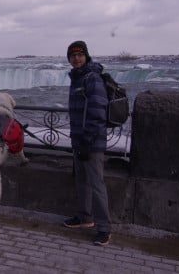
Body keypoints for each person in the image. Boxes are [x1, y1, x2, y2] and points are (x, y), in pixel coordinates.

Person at [63, 40, 112, 246]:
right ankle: (85, 217)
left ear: (86, 56)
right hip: (79, 140)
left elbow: (97, 112)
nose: (76, 58)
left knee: (96, 184)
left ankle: (104, 229)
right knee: (81, 180)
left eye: (80, 55)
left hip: (91, 142)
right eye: (73, 55)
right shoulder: (77, 78)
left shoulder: (92, 79)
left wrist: (87, 140)